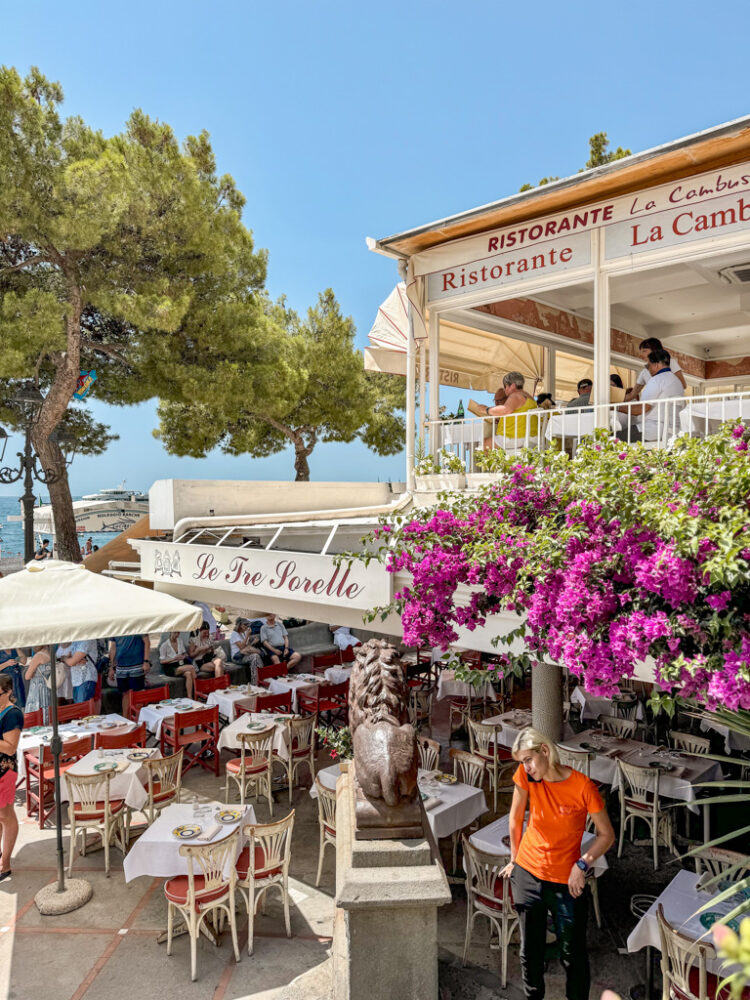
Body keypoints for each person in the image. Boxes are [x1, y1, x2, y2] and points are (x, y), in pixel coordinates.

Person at [502, 727, 614, 1000]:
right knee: (531, 953)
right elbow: (515, 819)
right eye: (521, 762)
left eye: (529, 759)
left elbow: (607, 835)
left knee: (572, 956)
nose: (526, 768)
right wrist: (515, 860)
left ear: (545, 751)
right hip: (528, 874)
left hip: (566, 881)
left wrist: (583, 864)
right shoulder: (527, 777)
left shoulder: (582, 786)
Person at [617, 349, 684, 443]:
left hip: (651, 429)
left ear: (656, 364)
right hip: (672, 432)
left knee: (611, 439)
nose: (647, 369)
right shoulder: (677, 382)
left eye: (648, 366)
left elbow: (642, 408)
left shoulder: (657, 380)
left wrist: (615, 408)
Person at [469, 373, 539, 450]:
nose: (505, 390)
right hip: (529, 436)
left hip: (516, 437)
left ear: (512, 385)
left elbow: (505, 410)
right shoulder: (529, 398)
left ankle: (489, 462)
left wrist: (486, 409)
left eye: (505, 386)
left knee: (485, 444)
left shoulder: (516, 395)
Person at [0, 675, 23, 883]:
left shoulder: (12, 714)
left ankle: (5, 864)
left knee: (6, 816)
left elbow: (10, 747)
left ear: (7, 692)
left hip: (4, 772)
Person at [624, 337, 687, 401]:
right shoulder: (644, 372)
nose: (641, 355)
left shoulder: (669, 363)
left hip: (670, 404)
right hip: (654, 406)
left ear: (655, 351)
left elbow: (682, 385)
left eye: (644, 351)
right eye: (641, 352)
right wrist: (616, 399)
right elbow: (632, 394)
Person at [107, 634, 150, 716]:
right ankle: (126, 719)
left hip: (137, 665)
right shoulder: (115, 626)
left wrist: (146, 661)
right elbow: (113, 647)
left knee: (138, 693)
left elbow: (147, 642)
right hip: (121, 666)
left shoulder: (138, 623)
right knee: (125, 693)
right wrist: (111, 667)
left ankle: (139, 721)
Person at [159, 631, 197, 699]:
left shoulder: (180, 641)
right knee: (191, 668)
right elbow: (162, 661)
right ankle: (197, 690)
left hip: (180, 664)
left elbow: (184, 653)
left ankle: (190, 697)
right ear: (170, 632)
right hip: (170, 667)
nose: (177, 635)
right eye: (175, 633)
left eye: (178, 633)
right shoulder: (164, 645)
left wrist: (184, 656)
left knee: (188, 673)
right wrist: (174, 658)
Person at [229, 619, 263, 685]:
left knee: (256, 656)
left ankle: (258, 679)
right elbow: (241, 647)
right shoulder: (234, 634)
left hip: (245, 654)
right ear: (240, 625)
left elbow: (247, 646)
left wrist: (253, 642)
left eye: (247, 626)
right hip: (237, 656)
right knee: (255, 656)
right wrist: (247, 636)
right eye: (245, 626)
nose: (247, 627)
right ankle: (256, 681)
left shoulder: (243, 633)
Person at [24, 649, 52, 721]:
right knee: (46, 710)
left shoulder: (39, 655)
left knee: (35, 712)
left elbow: (27, 676)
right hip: (47, 686)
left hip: (37, 688)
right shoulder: (51, 653)